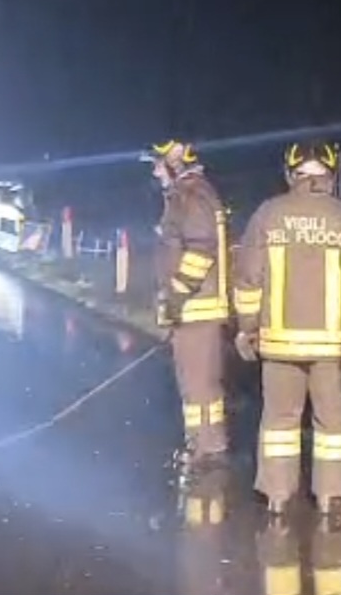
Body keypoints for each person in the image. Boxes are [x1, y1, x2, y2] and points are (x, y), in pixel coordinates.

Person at [233, 141, 341, 516]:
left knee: (279, 420)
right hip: (331, 348)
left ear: (291, 174)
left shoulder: (268, 214)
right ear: (331, 175)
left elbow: (248, 279)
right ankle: (329, 496)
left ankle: (277, 494)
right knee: (331, 422)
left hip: (278, 344)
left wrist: (247, 328)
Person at [142, 139, 231, 469]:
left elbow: (201, 248)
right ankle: (204, 443)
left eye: (157, 163)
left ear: (173, 164)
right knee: (197, 383)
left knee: (198, 383)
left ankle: (207, 448)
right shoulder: (190, 194)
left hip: (197, 307)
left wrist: (177, 294)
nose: (154, 171)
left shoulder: (190, 196)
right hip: (195, 307)